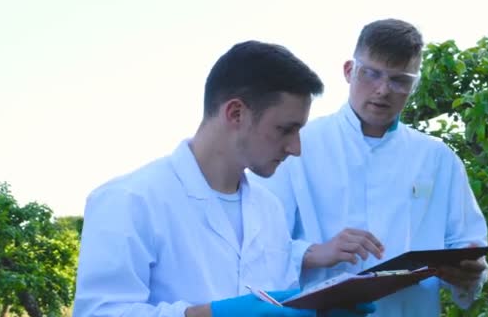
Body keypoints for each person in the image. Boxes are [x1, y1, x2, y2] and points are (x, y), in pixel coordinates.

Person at [73, 40, 375, 317]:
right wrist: (211, 314)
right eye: (285, 129)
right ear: (235, 113)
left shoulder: (269, 210)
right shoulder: (127, 200)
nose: (296, 148)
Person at [250, 19, 488, 316]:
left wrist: (469, 273)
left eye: (399, 80)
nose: (382, 90)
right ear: (349, 71)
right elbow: (255, 246)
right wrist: (315, 253)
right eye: (371, 74)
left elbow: (468, 245)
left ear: (414, 85)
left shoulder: (438, 159)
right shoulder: (297, 146)